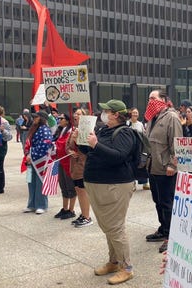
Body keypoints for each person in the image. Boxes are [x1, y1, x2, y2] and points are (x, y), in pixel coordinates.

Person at [77, 99, 137, 285]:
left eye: (106, 111)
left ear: (115, 114)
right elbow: (91, 152)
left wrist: (96, 144)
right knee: (108, 227)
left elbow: (118, 156)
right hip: (97, 183)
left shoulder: (125, 133)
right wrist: (80, 141)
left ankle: (126, 268)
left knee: (115, 227)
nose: (102, 114)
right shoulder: (104, 130)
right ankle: (113, 261)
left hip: (115, 185)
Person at [144, 89, 183, 253]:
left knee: (168, 203)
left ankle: (171, 236)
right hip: (153, 166)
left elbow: (177, 143)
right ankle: (163, 228)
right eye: (149, 99)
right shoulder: (152, 117)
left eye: (153, 98)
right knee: (158, 201)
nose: (150, 102)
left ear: (163, 99)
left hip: (166, 167)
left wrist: (173, 165)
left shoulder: (171, 117)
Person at [66, 108, 94, 228]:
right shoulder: (74, 130)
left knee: (83, 191)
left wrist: (77, 139)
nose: (75, 115)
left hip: (83, 164)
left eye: (79, 114)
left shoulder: (88, 130)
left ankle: (87, 216)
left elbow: (87, 147)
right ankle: (83, 214)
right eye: (75, 113)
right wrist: (70, 151)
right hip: (74, 164)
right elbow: (67, 146)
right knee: (78, 189)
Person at [23, 111, 51, 214]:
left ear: (41, 119)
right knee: (30, 182)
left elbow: (45, 146)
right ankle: (31, 204)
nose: (34, 119)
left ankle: (42, 205)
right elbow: (27, 142)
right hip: (30, 159)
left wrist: (31, 154)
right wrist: (27, 154)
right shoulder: (33, 129)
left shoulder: (45, 130)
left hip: (40, 160)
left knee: (40, 183)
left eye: (36, 117)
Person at [52, 113, 77, 220]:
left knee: (70, 186)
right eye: (59, 118)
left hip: (68, 161)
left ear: (67, 120)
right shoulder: (60, 130)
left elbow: (64, 145)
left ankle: (71, 210)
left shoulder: (72, 131)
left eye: (61, 118)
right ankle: (65, 208)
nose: (59, 120)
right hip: (61, 160)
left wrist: (55, 144)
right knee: (63, 186)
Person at [127, 107, 149, 190]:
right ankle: (133, 184)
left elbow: (144, 135)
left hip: (139, 147)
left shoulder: (140, 124)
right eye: (134, 112)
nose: (135, 114)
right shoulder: (127, 123)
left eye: (136, 112)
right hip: (130, 147)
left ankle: (145, 183)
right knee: (131, 165)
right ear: (130, 113)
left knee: (142, 164)